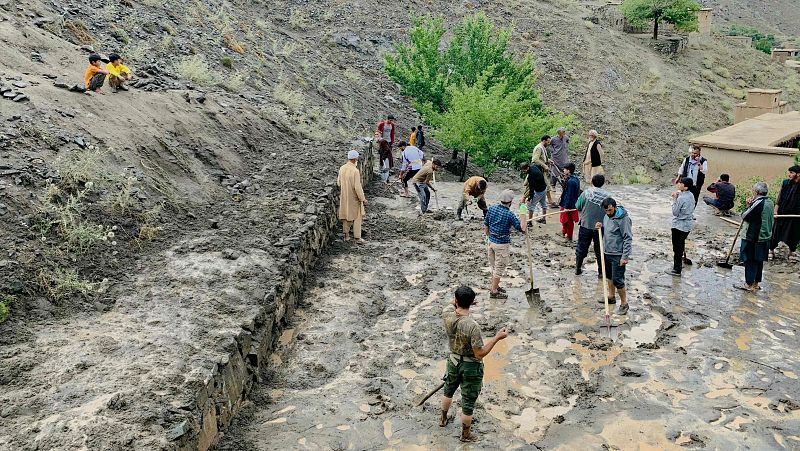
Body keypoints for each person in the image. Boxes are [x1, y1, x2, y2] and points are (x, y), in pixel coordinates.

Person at [440, 286, 508, 442]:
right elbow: (480, 353)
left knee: (448, 391)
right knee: (468, 402)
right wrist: (497, 337)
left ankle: (443, 420)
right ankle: (466, 435)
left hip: (453, 361)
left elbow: (451, 304)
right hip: (470, 366)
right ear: (471, 302)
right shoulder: (472, 326)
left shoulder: (447, 314)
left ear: (456, 301)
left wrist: (462, 302)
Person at [484, 190, 527, 299]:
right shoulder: (509, 214)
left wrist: (488, 237)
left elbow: (486, 225)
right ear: (511, 202)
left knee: (494, 266)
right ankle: (493, 291)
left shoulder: (492, 208)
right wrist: (523, 211)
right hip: (501, 245)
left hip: (491, 242)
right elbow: (522, 228)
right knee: (499, 268)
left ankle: (496, 286)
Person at [595, 197, 632, 314]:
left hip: (618, 254)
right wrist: (601, 226)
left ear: (615, 207)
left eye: (610, 210)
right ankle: (611, 297)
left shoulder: (623, 219)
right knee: (609, 276)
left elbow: (627, 238)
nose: (608, 213)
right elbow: (609, 229)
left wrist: (625, 257)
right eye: (606, 211)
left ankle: (624, 304)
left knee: (618, 280)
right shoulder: (606, 216)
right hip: (607, 252)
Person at [736, 182, 774, 291]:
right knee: (759, 260)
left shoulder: (758, 203)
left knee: (749, 259)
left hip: (753, 236)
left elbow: (745, 216)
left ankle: (749, 284)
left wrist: (748, 206)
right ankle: (756, 284)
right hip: (765, 236)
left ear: (756, 192)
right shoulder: (770, 202)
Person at [575, 174, 610, 276]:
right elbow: (610, 212)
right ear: (603, 183)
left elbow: (578, 206)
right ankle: (600, 272)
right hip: (600, 227)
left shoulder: (586, 193)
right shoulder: (607, 197)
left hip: (585, 225)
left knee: (581, 247)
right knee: (599, 250)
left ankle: (577, 268)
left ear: (592, 182)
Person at [770, 165, 800, 261]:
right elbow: (779, 198)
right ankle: (770, 250)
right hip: (782, 213)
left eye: (792, 173)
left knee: (794, 234)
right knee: (775, 232)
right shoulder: (786, 183)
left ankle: (791, 252)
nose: (789, 174)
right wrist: (775, 211)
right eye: (789, 172)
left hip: (795, 215)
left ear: (798, 174)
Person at [337, 150, 368, 243]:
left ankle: (346, 235)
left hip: (344, 196)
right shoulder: (355, 171)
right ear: (355, 159)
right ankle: (357, 237)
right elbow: (357, 187)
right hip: (354, 197)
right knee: (357, 216)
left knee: (346, 215)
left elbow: (338, 182)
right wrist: (363, 199)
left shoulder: (342, 168)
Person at [667, 177, 695, 276]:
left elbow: (675, 212)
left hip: (679, 226)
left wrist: (674, 199)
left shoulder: (681, 198)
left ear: (685, 186)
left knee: (677, 248)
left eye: (681, 183)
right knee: (681, 244)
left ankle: (677, 269)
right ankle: (678, 265)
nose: (678, 184)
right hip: (687, 225)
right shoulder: (691, 195)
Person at [531, 135, 556, 207]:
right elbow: (535, 159)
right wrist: (545, 165)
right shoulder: (539, 148)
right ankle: (550, 201)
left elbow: (542, 158)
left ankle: (549, 200)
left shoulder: (543, 147)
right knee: (546, 184)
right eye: (548, 142)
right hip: (538, 170)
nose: (549, 143)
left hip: (540, 170)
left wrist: (549, 161)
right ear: (544, 141)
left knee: (545, 185)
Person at [558, 163, 581, 241]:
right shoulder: (575, 179)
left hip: (568, 204)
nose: (563, 170)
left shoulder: (571, 182)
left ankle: (569, 236)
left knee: (567, 221)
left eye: (565, 169)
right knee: (566, 220)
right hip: (572, 203)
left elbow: (569, 195)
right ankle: (564, 232)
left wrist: (567, 207)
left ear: (568, 170)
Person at [549, 127, 570, 192]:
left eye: (564, 133)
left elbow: (567, 142)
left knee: (564, 171)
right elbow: (548, 145)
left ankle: (564, 185)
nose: (563, 134)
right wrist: (552, 151)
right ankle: (552, 185)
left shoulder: (566, 137)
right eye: (562, 133)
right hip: (555, 158)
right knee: (554, 172)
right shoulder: (553, 139)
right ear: (558, 133)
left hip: (563, 158)